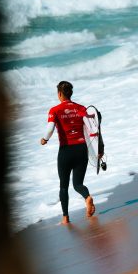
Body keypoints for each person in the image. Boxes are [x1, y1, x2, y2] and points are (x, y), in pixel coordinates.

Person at [41, 81, 96, 224]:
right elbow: (93, 130)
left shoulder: (55, 110)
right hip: (81, 149)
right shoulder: (81, 108)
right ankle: (87, 197)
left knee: (64, 186)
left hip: (66, 151)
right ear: (70, 93)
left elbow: (50, 129)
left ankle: (65, 218)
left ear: (59, 94)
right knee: (78, 184)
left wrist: (44, 139)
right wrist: (98, 151)